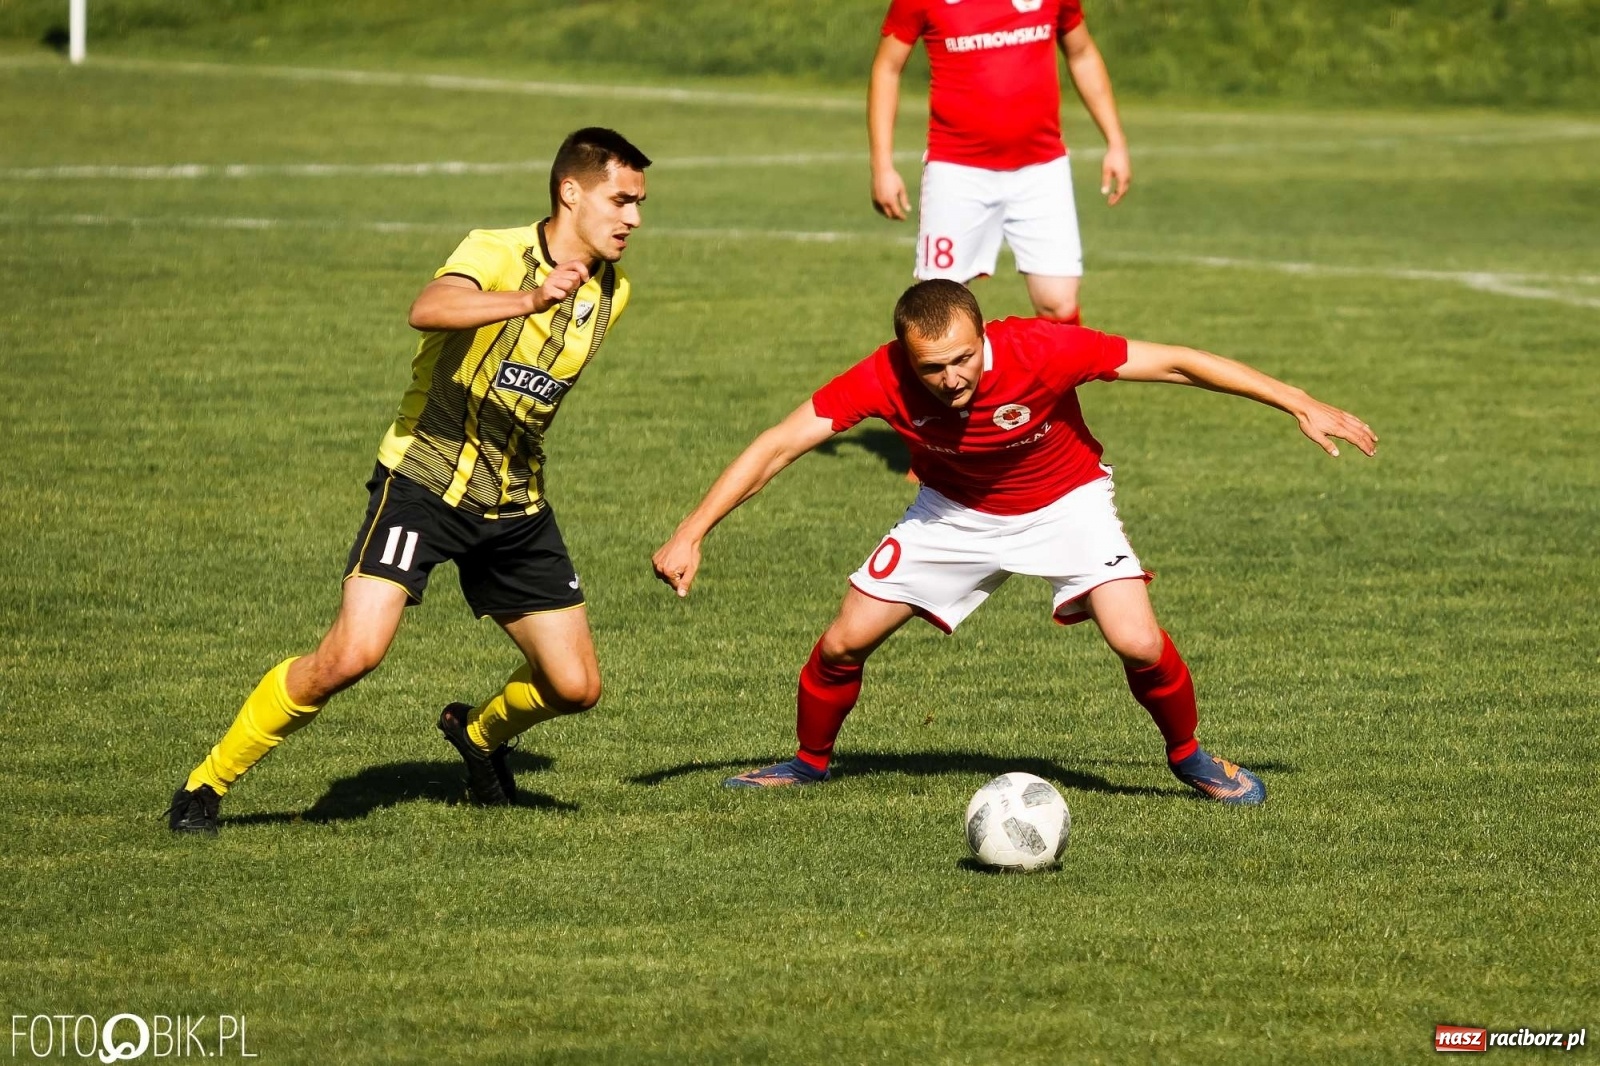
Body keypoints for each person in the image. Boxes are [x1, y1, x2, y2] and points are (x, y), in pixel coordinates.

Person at [652, 280, 1376, 803]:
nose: (951, 379)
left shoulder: (1043, 349)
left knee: (1137, 642)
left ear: (984, 337)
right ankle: (808, 764)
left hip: (1067, 503)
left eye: (963, 359)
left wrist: (1298, 402)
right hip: (952, 514)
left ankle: (1189, 757)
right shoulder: (881, 377)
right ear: (906, 355)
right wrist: (693, 530)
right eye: (932, 367)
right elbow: (779, 444)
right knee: (844, 643)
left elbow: (1178, 362)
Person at [167, 128, 652, 833]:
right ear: (570, 192)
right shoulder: (496, 251)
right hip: (423, 483)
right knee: (351, 655)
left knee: (576, 686)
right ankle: (206, 784)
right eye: (621, 200)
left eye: (639, 204)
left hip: (514, 503)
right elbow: (428, 308)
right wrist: (528, 299)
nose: (633, 218)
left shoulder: (612, 292)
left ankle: (477, 736)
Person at [869, 0, 1131, 324]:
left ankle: (1032, 359)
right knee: (940, 310)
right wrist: (882, 166)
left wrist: (1115, 141)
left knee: (1059, 304)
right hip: (957, 171)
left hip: (1042, 168)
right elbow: (887, 68)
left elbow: (1082, 53)